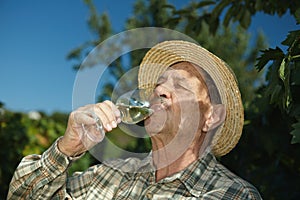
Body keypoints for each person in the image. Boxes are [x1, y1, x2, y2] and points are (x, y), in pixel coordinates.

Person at [8, 40, 262, 199]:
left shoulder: (233, 194)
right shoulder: (108, 174)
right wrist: (66, 149)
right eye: (160, 84)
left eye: (181, 86)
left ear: (211, 116)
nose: (160, 91)